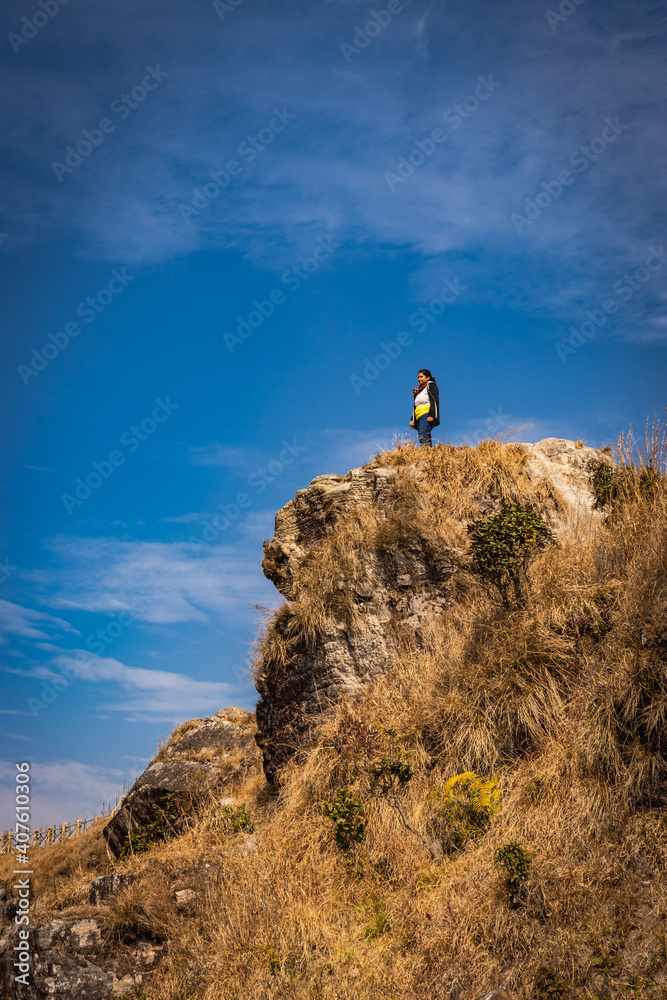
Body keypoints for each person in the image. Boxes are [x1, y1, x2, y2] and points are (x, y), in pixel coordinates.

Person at [409, 368, 440, 447]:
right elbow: (416, 405)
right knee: (425, 435)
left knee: (423, 434)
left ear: (428, 377)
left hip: (426, 414)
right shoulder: (419, 391)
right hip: (418, 415)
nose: (419, 379)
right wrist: (413, 419)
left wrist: (431, 415)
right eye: (418, 377)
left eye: (421, 377)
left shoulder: (431, 385)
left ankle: (425, 452)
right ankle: (429, 453)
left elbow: (434, 400)